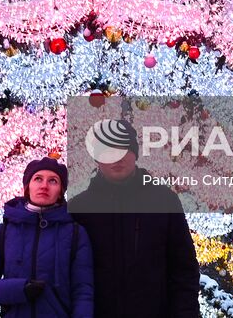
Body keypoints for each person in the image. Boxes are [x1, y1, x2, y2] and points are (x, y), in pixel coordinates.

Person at [70, 120, 201, 318]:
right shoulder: (78, 209)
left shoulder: (163, 200)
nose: (117, 157)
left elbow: (183, 269)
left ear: (135, 153)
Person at [0, 157, 94, 318]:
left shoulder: (75, 233)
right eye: (38, 179)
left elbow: (83, 292)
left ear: (60, 192)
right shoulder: (4, 232)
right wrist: (20, 289)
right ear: (27, 187)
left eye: (53, 181)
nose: (44, 185)